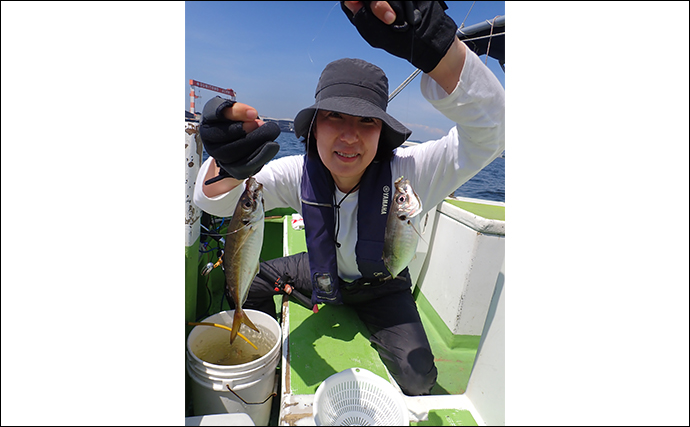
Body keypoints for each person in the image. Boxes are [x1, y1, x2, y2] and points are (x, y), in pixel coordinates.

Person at [193, 1, 504, 396]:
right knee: (251, 286)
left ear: (382, 132)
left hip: (384, 282)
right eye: (335, 117)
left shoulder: (413, 172)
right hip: (321, 271)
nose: (349, 136)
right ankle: (263, 353)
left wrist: (439, 48)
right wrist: (227, 165)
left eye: (366, 121)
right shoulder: (297, 172)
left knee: (419, 376)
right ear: (315, 127)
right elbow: (218, 203)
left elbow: (492, 133)